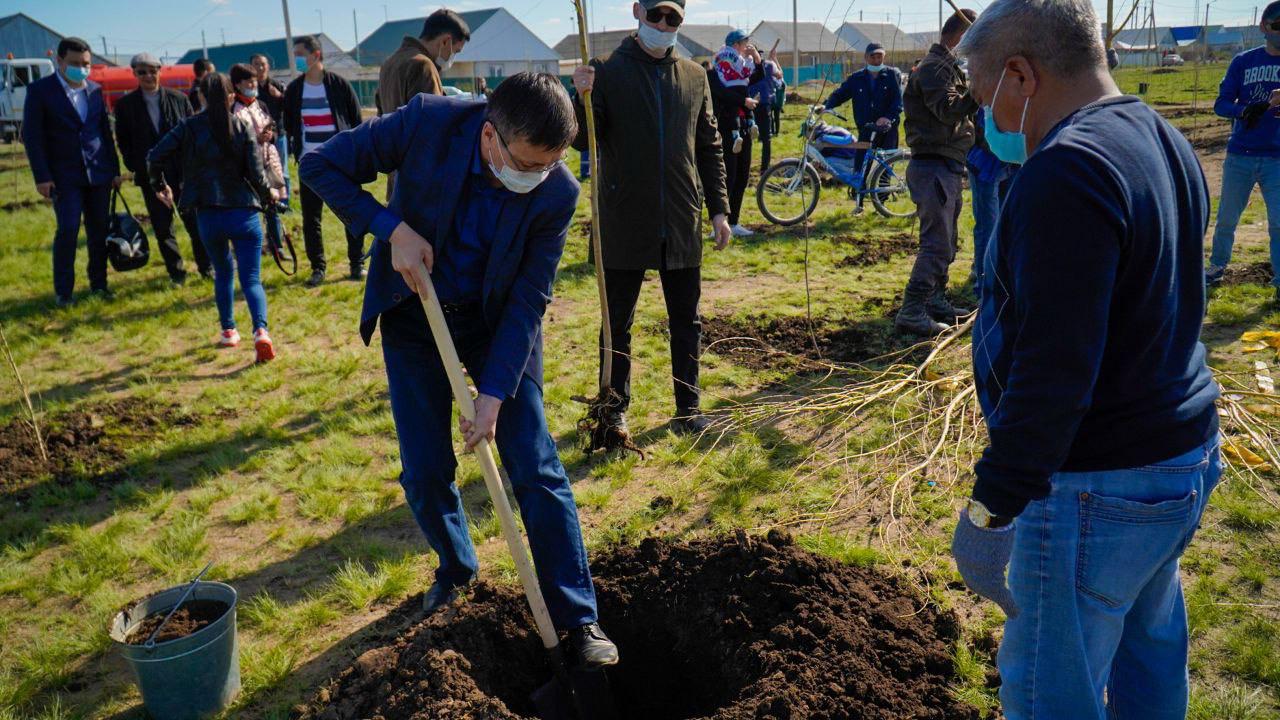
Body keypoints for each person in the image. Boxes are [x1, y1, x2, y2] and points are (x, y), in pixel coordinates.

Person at [952, 1, 1221, 718]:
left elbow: (1054, 366)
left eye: (984, 96)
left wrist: (993, 507)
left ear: (1020, 76)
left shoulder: (1065, 171)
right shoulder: (1158, 134)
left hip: (1095, 486)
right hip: (1176, 458)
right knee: (1148, 660)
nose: (988, 117)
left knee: (1052, 692)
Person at [298, 73, 620, 667]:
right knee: (424, 470)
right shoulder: (427, 123)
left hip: (498, 326)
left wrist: (494, 392)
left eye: (548, 166)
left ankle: (578, 618)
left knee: (536, 464)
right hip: (415, 315)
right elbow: (318, 166)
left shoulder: (557, 192)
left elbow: (529, 298)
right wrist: (389, 229)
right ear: (491, 136)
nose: (536, 178)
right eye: (526, 163)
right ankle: (457, 570)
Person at [571, 0, 733, 437]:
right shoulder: (604, 69)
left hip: (681, 217)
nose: (663, 25)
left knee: (687, 319)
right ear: (637, 12)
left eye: (673, 18)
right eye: (656, 15)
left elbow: (709, 146)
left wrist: (719, 210)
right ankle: (614, 409)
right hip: (622, 219)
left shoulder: (696, 76)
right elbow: (583, 141)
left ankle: (688, 407)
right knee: (617, 322)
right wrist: (579, 96)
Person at [148, 73, 277, 362]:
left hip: (208, 214)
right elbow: (257, 175)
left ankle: (229, 331)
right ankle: (261, 331)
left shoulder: (188, 128)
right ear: (231, 96)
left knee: (223, 273)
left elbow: (154, 157)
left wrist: (160, 186)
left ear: (201, 96)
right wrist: (269, 198)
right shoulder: (242, 126)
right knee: (252, 278)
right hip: (243, 212)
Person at [21, 37, 124, 307]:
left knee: (98, 231)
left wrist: (114, 170)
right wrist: (42, 176)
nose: (82, 68)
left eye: (86, 64)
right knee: (67, 230)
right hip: (63, 176)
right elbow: (33, 138)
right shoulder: (40, 91)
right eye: (75, 63)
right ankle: (64, 292)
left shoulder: (94, 90)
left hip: (98, 173)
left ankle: (99, 284)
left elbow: (104, 133)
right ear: (60, 61)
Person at [896, 9, 978, 336]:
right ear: (960, 37)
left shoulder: (947, 68)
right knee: (936, 243)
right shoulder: (935, 69)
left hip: (946, 164)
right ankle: (912, 310)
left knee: (947, 240)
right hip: (932, 165)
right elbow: (948, 110)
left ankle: (935, 300)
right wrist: (978, 90)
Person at [115, 52, 210, 286]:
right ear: (134, 73)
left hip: (182, 173)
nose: (148, 75)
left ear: (160, 70)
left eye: (152, 70)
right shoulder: (126, 106)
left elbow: (192, 133)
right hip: (151, 175)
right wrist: (138, 166)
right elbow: (124, 141)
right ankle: (176, 273)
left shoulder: (178, 99)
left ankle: (207, 267)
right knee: (162, 226)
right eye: (142, 71)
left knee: (195, 223)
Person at [1207, 2, 1280, 301]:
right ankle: (1216, 267)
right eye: (1278, 26)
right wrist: (1244, 111)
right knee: (1227, 217)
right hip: (1241, 156)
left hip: (1278, 159)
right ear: (1264, 27)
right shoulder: (1243, 62)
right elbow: (1220, 104)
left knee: (1279, 222)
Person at [284, 35, 365, 286]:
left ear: (316, 55)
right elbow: (289, 124)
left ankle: (357, 263)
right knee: (311, 219)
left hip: (339, 162)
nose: (296, 59)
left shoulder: (339, 85)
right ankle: (318, 267)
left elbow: (356, 120)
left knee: (350, 213)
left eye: (300, 54)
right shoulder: (295, 89)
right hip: (310, 164)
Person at [377, 9, 470, 199]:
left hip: (397, 176)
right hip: (420, 183)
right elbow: (435, 129)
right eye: (456, 51)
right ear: (445, 41)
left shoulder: (390, 63)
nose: (454, 57)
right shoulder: (423, 65)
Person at [824, 42, 904, 195]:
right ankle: (859, 195)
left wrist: (887, 118)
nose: (876, 59)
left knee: (886, 164)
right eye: (873, 56)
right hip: (866, 127)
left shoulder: (892, 75)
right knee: (862, 163)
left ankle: (882, 198)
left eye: (879, 56)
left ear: (884, 56)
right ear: (866, 57)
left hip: (887, 129)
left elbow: (897, 102)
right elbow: (841, 94)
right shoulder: (857, 78)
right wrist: (827, 105)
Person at [709, 29, 767, 237]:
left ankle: (734, 222)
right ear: (735, 45)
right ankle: (719, 221)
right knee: (728, 175)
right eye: (744, 43)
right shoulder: (716, 68)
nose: (746, 47)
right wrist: (743, 101)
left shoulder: (741, 69)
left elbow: (757, 78)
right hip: (726, 125)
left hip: (744, 125)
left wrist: (758, 60)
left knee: (743, 174)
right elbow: (720, 92)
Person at [230, 63, 287, 254]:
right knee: (250, 210)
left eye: (254, 80)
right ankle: (250, 248)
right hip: (246, 167)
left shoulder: (260, 104)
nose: (253, 84)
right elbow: (234, 140)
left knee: (272, 205)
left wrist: (271, 135)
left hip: (268, 162)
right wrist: (255, 139)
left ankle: (276, 246)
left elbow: (275, 128)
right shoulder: (233, 109)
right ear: (238, 84)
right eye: (249, 81)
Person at [966, 106, 1017, 288]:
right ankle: (984, 284)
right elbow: (987, 135)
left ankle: (1000, 276)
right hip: (987, 164)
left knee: (1007, 223)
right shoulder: (992, 95)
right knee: (987, 226)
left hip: (1011, 164)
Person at [250, 53, 289, 208]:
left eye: (263, 64)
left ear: (268, 66)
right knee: (260, 170)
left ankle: (284, 202)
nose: (260, 67)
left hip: (278, 134)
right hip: (257, 137)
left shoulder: (277, 85)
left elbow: (290, 107)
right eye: (256, 64)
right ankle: (265, 201)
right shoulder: (250, 87)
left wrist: (280, 96)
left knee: (281, 169)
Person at [749, 54, 783, 172]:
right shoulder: (770, 65)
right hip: (764, 102)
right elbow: (779, 75)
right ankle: (764, 168)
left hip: (749, 103)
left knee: (748, 136)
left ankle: (744, 167)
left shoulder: (745, 64)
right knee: (766, 137)